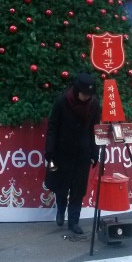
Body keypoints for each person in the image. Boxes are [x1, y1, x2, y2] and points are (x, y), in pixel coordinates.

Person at [45, 72, 100, 235]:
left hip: (82, 153)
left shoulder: (94, 104)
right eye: (83, 94)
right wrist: (49, 150)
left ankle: (74, 222)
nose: (86, 98)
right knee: (61, 186)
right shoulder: (62, 102)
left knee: (78, 189)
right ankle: (61, 210)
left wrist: (94, 151)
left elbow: (94, 129)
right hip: (61, 152)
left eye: (89, 95)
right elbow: (53, 128)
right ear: (77, 90)